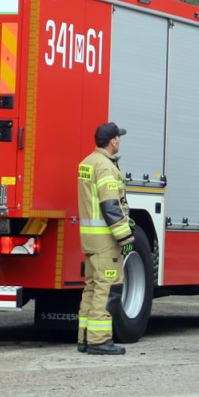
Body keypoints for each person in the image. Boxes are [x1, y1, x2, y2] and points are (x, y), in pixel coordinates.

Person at [76, 121, 135, 355]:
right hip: (105, 243)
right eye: (118, 137)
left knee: (91, 289)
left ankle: (84, 338)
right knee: (107, 289)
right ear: (113, 141)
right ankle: (99, 340)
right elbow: (110, 206)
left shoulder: (87, 163)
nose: (119, 140)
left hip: (90, 241)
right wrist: (125, 237)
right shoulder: (105, 167)